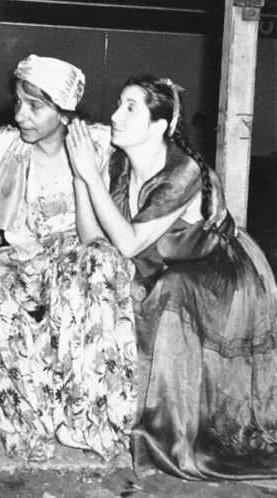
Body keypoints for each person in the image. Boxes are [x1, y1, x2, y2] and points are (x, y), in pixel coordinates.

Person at [66, 74, 277, 480]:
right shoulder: (120, 167)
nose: (114, 115)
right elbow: (95, 239)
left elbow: (127, 244)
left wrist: (90, 177)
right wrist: (81, 177)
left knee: (168, 293)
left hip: (221, 275)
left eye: (130, 107)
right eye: (118, 104)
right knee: (122, 285)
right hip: (171, 266)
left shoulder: (181, 172)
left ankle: (168, 433)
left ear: (159, 125)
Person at [0, 55, 138, 463]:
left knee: (81, 270)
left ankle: (89, 418)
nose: (20, 115)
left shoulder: (97, 141)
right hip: (26, 255)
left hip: (79, 253)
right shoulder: (7, 144)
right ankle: (24, 417)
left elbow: (157, 144)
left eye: (35, 106)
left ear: (64, 110)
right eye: (18, 101)